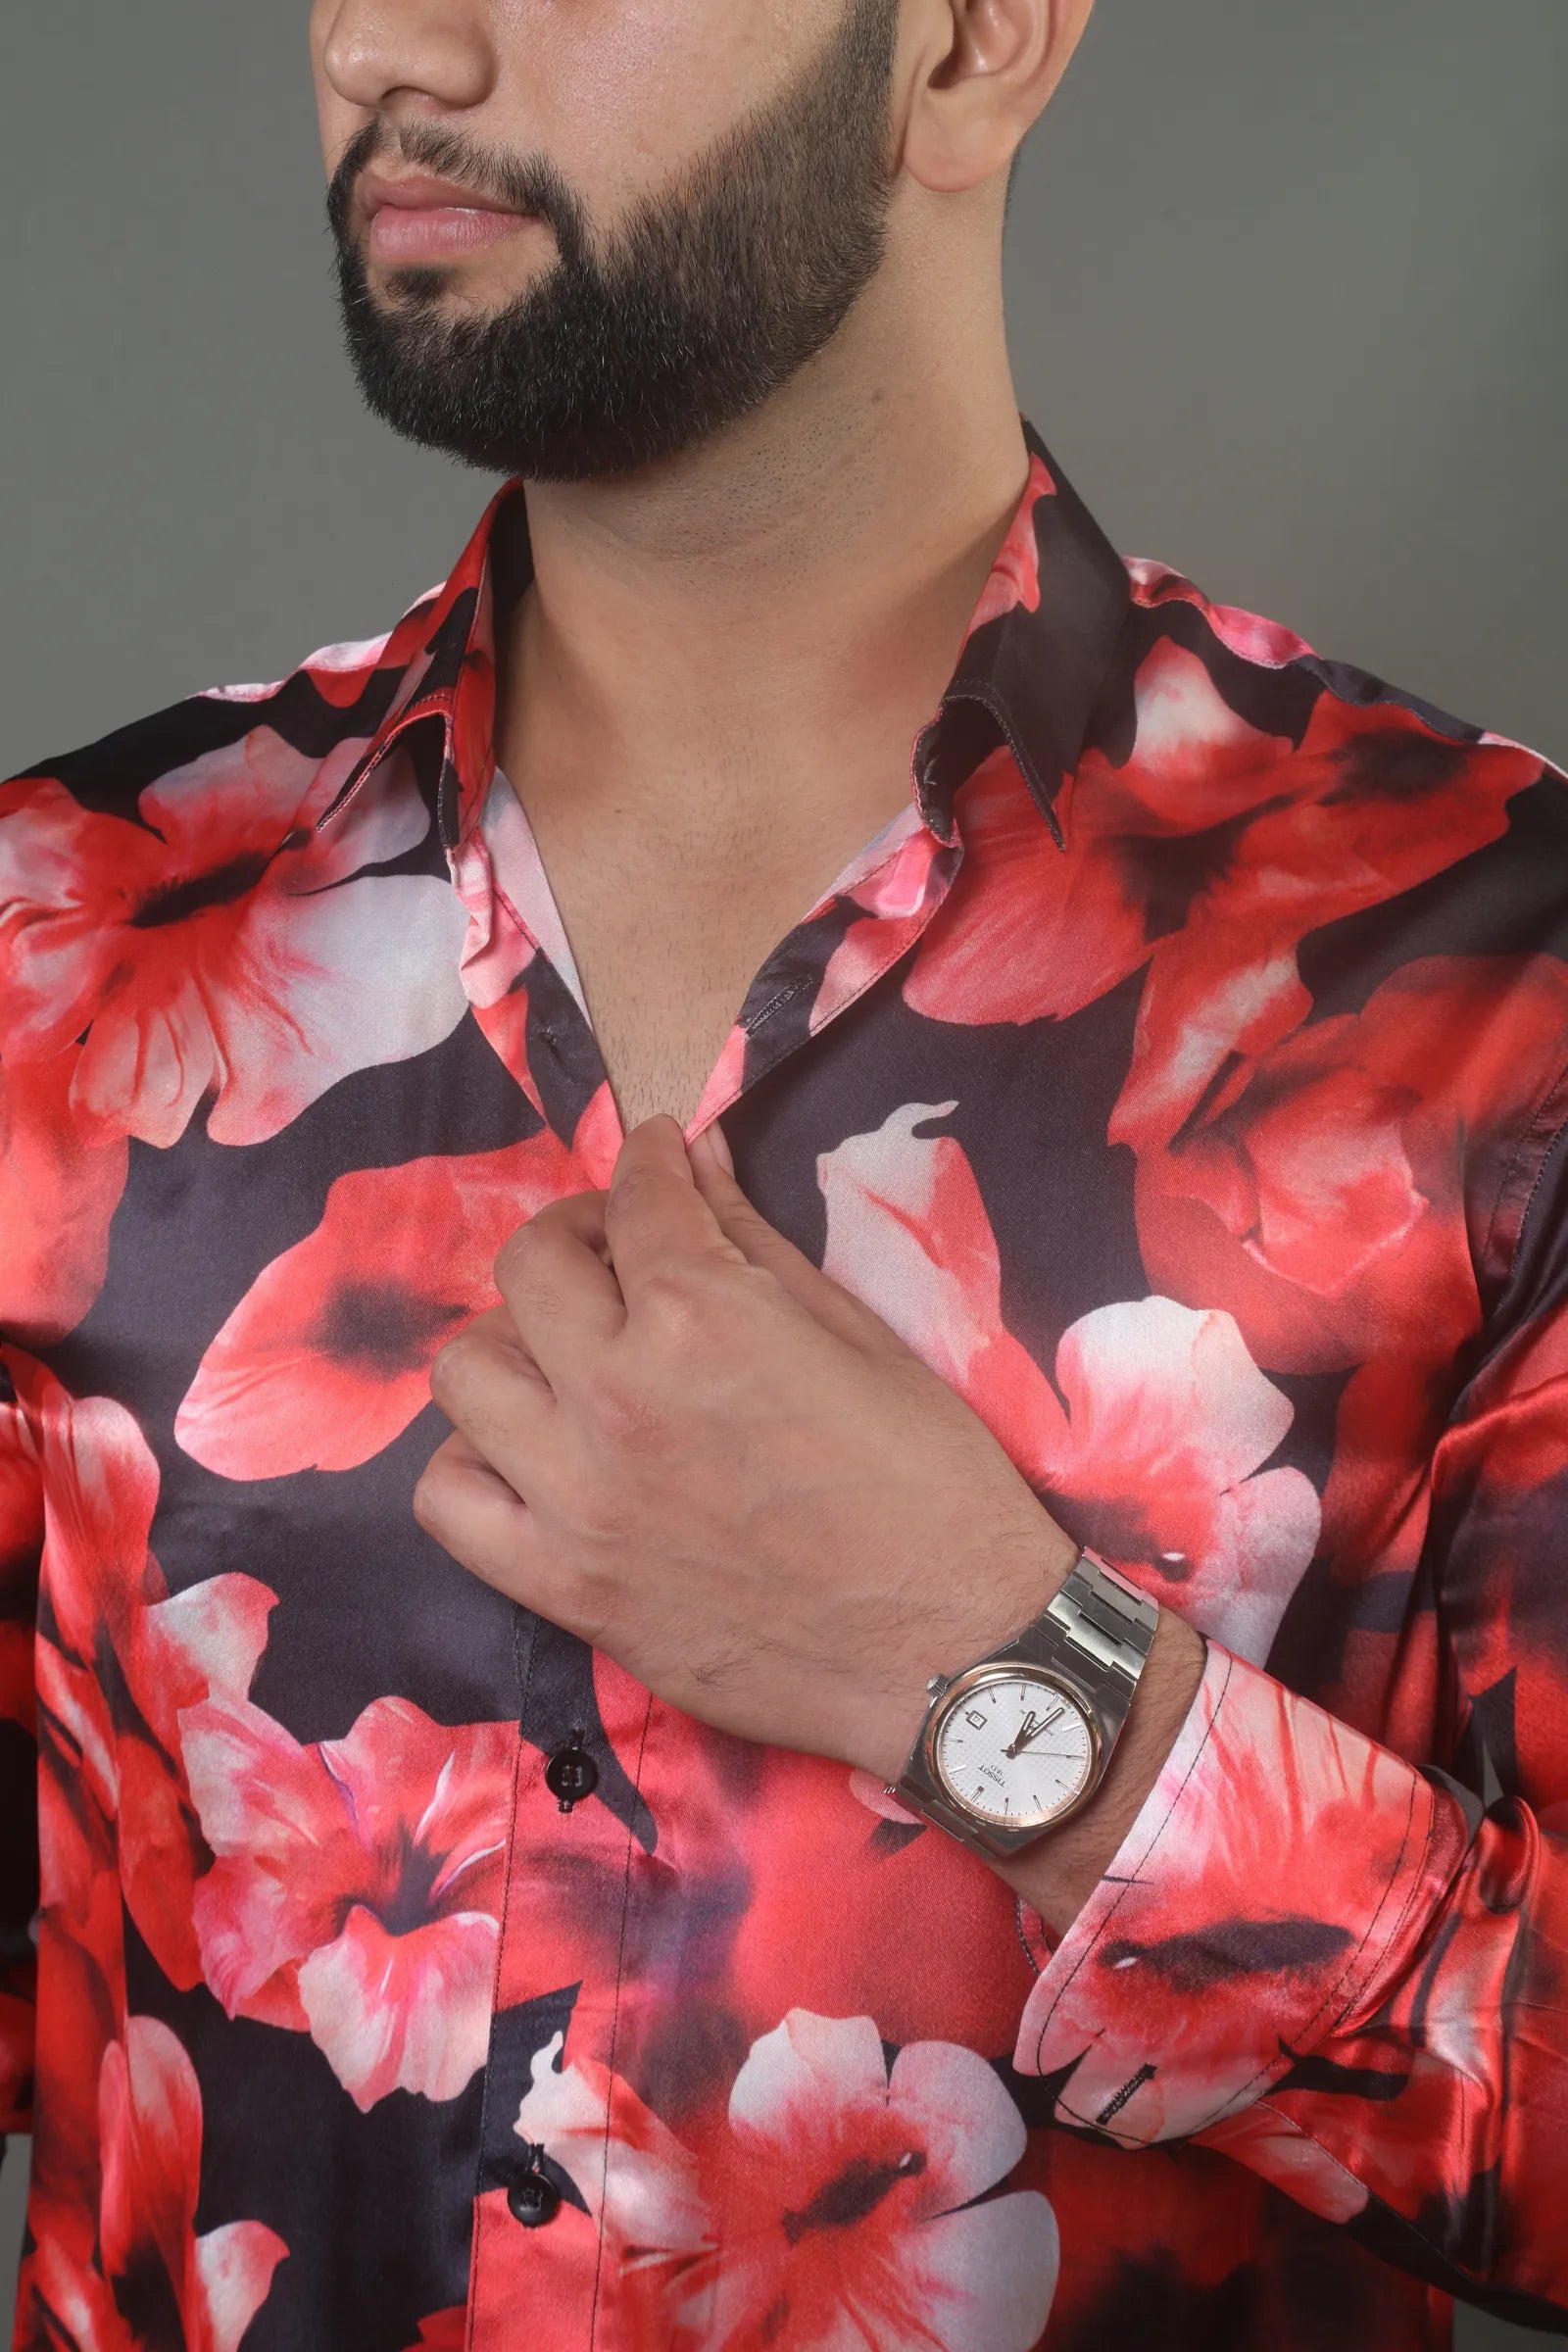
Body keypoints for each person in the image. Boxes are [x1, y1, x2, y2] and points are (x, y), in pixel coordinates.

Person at [0, 0, 1563, 2342]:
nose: (379, 42)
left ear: (965, 46)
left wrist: (1002, 1687)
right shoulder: (54, 954)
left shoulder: (1491, 994)